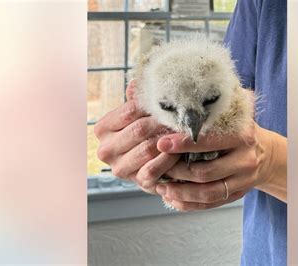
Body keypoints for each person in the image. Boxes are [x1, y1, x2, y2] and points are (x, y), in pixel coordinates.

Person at [94, 0, 287, 265]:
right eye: (167, 107)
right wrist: (137, 146)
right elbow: (235, 88)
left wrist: (272, 160)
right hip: (266, 251)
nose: (191, 126)